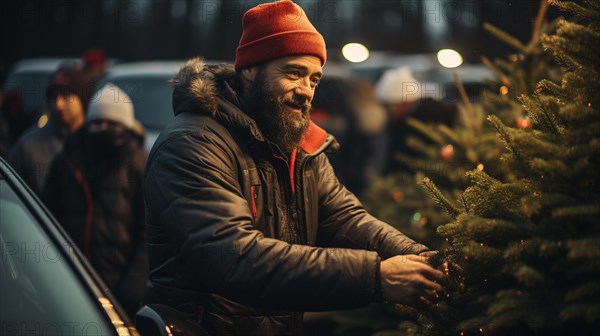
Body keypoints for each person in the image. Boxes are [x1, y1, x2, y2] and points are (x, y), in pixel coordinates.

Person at [142, 1, 444, 334]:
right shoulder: (194, 143)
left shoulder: (299, 148)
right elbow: (235, 258)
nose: (306, 91)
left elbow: (345, 219)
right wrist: (375, 277)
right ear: (250, 70)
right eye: (293, 73)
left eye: (314, 79)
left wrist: (420, 257)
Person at [42, 83, 148, 318]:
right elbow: (46, 218)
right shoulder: (68, 160)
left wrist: (132, 289)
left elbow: (148, 232)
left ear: (125, 127)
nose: (103, 128)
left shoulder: (140, 164)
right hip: (70, 285)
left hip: (119, 291)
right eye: (97, 123)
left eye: (111, 124)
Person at [8, 64, 93, 195]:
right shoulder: (28, 145)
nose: (58, 104)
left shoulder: (97, 141)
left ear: (83, 100)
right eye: (53, 97)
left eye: (66, 96)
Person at [375, 66, 457, 174]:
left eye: (387, 106)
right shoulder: (407, 120)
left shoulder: (422, 121)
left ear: (402, 102)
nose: (384, 111)